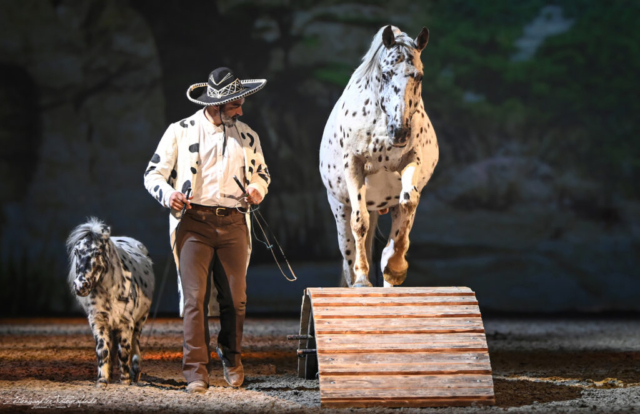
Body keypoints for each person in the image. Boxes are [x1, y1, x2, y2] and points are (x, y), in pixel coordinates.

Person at [143, 67, 270, 393]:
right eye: (235, 105)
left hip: (232, 223)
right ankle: (196, 370)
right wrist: (168, 194)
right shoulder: (180, 131)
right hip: (194, 224)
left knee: (235, 299)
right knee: (194, 298)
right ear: (216, 104)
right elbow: (152, 174)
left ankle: (231, 356)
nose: (240, 110)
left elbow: (263, 175)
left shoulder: (248, 136)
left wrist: (257, 189)